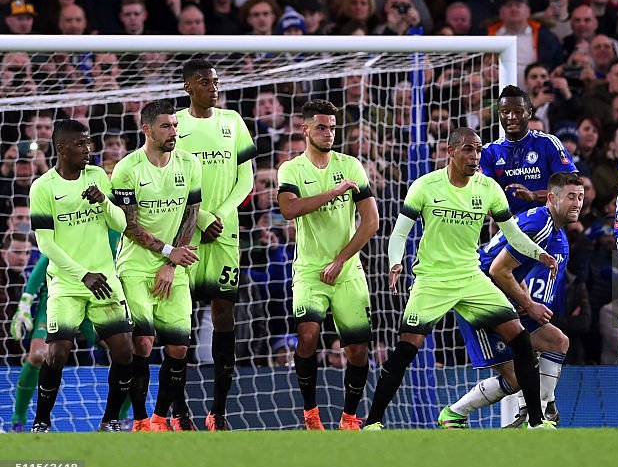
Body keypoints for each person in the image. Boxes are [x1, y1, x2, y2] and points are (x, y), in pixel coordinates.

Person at [363, 127, 556, 430]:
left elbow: (513, 234)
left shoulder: (488, 188)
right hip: (432, 280)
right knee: (406, 349)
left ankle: (536, 421)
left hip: (470, 277)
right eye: (468, 149)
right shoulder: (425, 186)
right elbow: (400, 232)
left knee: (520, 339)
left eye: (479, 150)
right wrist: (396, 261)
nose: (475, 156)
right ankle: (373, 422)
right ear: (450, 151)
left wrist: (538, 253)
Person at [440, 172, 582, 428]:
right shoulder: (540, 226)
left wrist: (524, 298)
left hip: (501, 294)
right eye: (571, 197)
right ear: (551, 198)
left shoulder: (551, 229)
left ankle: (543, 409)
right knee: (518, 380)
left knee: (557, 341)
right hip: (476, 295)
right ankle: (454, 414)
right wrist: (530, 305)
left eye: (580, 197)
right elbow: (498, 269)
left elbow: (516, 269)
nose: (577, 203)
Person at [25, 120, 135, 432]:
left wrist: (103, 200)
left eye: (88, 143)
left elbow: (121, 224)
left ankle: (110, 420)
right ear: (61, 149)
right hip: (67, 284)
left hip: (105, 281)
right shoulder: (43, 187)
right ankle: (41, 421)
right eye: (80, 144)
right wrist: (83, 274)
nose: (87, 149)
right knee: (57, 353)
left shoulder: (98, 176)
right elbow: (46, 243)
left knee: (125, 351)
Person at [276, 99, 379, 431]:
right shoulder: (290, 169)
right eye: (321, 127)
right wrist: (334, 192)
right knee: (307, 336)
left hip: (347, 269)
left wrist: (340, 260)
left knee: (358, 349)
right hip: (308, 270)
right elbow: (290, 210)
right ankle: (311, 413)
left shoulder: (351, 165)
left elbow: (371, 221)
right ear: (305, 129)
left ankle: (349, 417)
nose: (329, 133)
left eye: (333, 127)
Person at [171, 59, 257, 431]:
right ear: (189, 86)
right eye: (205, 81)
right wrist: (201, 216)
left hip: (226, 233)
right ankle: (179, 411)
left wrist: (218, 214)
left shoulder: (233, 121)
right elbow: (169, 176)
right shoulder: (174, 123)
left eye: (216, 81)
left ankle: (218, 412)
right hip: (186, 232)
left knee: (224, 315)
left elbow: (247, 180)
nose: (213, 87)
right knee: (180, 322)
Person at [111, 99, 203, 432]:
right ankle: (138, 419)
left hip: (175, 265)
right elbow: (129, 226)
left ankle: (161, 418)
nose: (174, 132)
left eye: (176, 125)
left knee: (179, 346)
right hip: (135, 265)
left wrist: (172, 263)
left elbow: (191, 215)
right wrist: (167, 252)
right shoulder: (127, 169)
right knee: (143, 342)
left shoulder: (189, 164)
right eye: (166, 126)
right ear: (146, 129)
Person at [480, 85, 577, 214]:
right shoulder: (488, 152)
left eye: (518, 111)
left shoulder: (547, 143)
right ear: (499, 115)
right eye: (505, 112)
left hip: (547, 223)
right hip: (510, 226)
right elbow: (485, 197)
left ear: (529, 113)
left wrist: (534, 196)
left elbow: (572, 186)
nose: (511, 116)